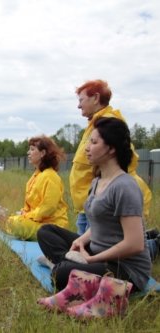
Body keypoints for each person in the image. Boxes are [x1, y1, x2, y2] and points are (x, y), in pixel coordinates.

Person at [37, 118, 151, 299]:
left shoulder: (124, 186)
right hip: (96, 250)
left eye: (94, 142)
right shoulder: (97, 181)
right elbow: (99, 224)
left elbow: (135, 244)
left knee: (60, 275)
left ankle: (60, 265)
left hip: (124, 268)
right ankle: (69, 263)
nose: (87, 148)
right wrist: (80, 241)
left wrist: (91, 260)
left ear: (111, 148)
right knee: (46, 232)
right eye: (88, 141)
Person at [69, 80, 152, 236]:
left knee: (95, 252)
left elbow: (126, 158)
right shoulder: (94, 124)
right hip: (89, 204)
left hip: (100, 204)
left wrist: (104, 192)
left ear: (95, 98)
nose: (79, 106)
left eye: (81, 100)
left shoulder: (108, 123)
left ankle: (152, 244)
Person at [3, 136, 68, 240]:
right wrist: (23, 213)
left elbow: (48, 208)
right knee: (11, 220)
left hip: (52, 226)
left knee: (16, 224)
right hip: (38, 222)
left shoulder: (51, 176)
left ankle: (51, 238)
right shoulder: (35, 176)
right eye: (29, 149)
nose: (28, 153)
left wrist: (27, 216)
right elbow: (28, 205)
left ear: (42, 153)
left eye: (32, 149)